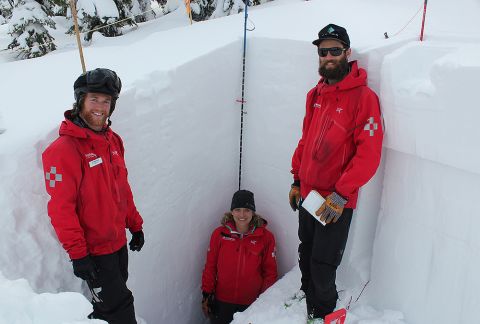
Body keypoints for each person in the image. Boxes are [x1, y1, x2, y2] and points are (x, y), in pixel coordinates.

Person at [289, 24, 384, 321]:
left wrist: (341, 195)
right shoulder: (314, 95)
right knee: (306, 251)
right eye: (323, 51)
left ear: (347, 53)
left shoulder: (364, 98)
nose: (328, 56)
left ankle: (322, 314)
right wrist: (296, 179)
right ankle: (308, 296)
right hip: (308, 193)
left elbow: (369, 154)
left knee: (323, 263)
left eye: (335, 50)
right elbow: (305, 140)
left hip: (334, 199)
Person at [42, 68, 144, 324]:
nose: (100, 107)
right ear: (80, 101)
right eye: (94, 99)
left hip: (118, 244)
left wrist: (135, 224)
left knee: (111, 310)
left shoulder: (112, 141)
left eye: (106, 101)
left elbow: (122, 189)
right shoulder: (63, 150)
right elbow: (60, 208)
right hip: (95, 252)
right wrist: (78, 254)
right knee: (120, 312)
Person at [201, 190, 278, 324]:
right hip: (222, 301)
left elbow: (270, 272)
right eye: (237, 209)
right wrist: (206, 294)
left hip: (251, 304)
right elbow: (210, 266)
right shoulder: (219, 234)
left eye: (247, 210)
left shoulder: (266, 237)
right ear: (232, 211)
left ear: (253, 212)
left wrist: (264, 301)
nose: (242, 215)